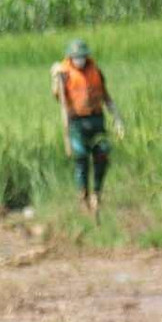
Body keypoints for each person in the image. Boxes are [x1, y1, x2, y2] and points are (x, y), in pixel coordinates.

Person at [51, 39, 122, 213]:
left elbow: (106, 97)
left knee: (102, 152)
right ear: (70, 57)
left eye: (82, 56)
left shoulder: (96, 71)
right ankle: (82, 195)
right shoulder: (64, 73)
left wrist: (117, 118)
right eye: (76, 57)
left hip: (97, 119)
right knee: (81, 156)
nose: (79, 60)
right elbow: (58, 96)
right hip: (77, 121)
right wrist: (54, 77)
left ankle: (97, 192)